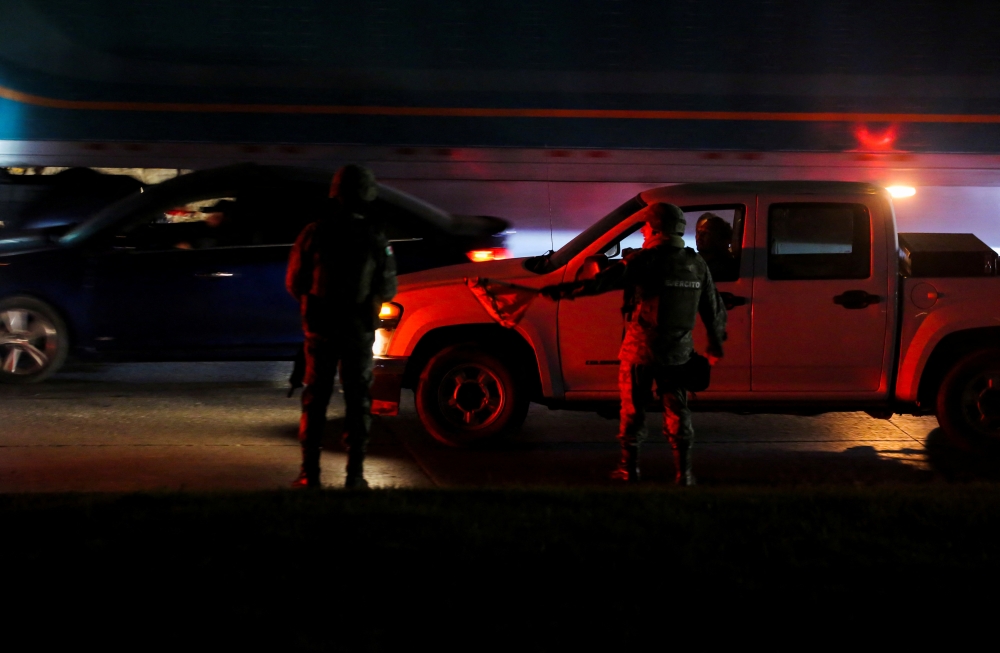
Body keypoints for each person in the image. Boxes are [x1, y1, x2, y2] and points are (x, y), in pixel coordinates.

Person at [541, 203, 726, 485]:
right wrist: (714, 343)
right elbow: (713, 310)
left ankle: (630, 469)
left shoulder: (645, 260)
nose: (642, 231)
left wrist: (561, 290)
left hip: (640, 351)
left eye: (646, 226)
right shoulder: (695, 263)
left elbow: (599, 282)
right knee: (677, 411)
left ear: (655, 228)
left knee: (632, 410)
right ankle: (684, 473)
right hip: (677, 355)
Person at [286, 164, 397, 489]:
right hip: (358, 331)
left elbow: (295, 282)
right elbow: (388, 287)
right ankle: (355, 475)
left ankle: (310, 474)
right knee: (358, 400)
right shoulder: (375, 237)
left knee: (315, 399)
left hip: (321, 329)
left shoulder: (314, 233)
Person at [694, 212, 739, 282]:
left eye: (706, 233)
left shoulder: (727, 267)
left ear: (719, 237)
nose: (699, 237)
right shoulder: (691, 260)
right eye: (698, 232)